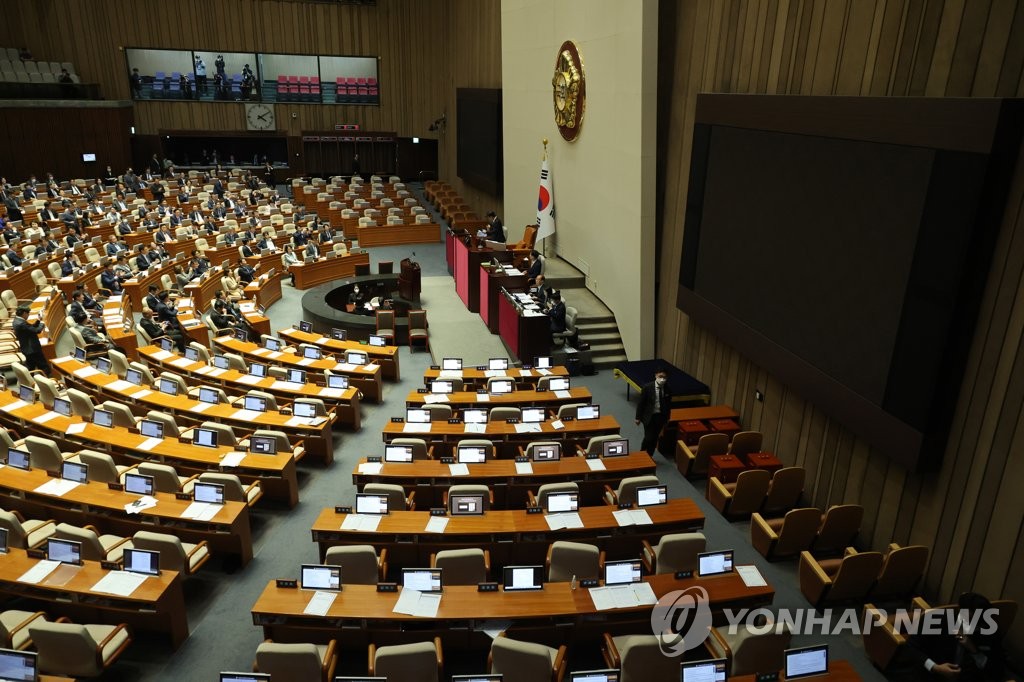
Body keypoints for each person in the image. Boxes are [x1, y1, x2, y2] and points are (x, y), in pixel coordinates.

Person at [889, 592, 1009, 682]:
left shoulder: (989, 630)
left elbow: (998, 670)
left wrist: (975, 651)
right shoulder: (937, 619)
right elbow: (910, 647)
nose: (972, 627)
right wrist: (935, 667)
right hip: (931, 676)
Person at [635, 366, 673, 458]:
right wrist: (638, 417)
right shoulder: (647, 387)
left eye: (664, 377)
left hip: (660, 417)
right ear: (656, 375)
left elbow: (668, 405)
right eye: (660, 376)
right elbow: (641, 403)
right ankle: (642, 454)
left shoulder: (668, 389)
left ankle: (649, 456)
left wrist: (667, 418)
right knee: (649, 437)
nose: (662, 379)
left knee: (655, 438)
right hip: (649, 416)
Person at [12, 304, 50, 376]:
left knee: (31, 367)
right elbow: (37, 330)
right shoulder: (21, 324)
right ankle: (48, 382)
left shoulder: (17, 320)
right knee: (44, 367)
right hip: (32, 349)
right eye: (28, 313)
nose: (29, 315)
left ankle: (29, 382)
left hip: (27, 348)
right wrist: (42, 323)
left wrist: (38, 321)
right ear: (24, 313)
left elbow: (30, 328)